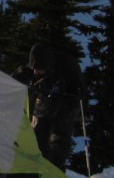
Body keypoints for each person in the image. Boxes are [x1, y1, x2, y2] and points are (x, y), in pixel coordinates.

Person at [13, 42, 85, 170]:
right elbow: (14, 80)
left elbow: (79, 89)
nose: (36, 71)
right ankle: (36, 166)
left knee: (60, 136)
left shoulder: (67, 66)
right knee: (38, 131)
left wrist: (74, 99)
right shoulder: (29, 68)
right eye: (34, 68)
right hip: (45, 99)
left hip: (66, 102)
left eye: (39, 69)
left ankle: (54, 170)